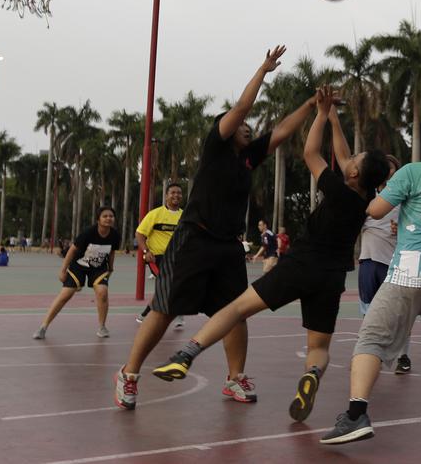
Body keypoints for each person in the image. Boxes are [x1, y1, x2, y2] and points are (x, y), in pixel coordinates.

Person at [152, 87, 390, 424]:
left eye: (356, 160)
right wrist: (333, 115)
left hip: (300, 265)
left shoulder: (336, 189)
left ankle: (187, 353)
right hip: (332, 277)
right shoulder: (363, 198)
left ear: (353, 174)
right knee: (319, 348)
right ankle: (311, 375)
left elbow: (311, 151)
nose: (350, 157)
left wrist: (320, 115)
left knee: (234, 308)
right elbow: (344, 154)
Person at [113, 46, 314, 411]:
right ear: (229, 129)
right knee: (166, 308)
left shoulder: (248, 159)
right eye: (242, 127)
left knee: (235, 310)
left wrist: (313, 103)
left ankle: (235, 378)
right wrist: (263, 69)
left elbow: (282, 130)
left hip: (227, 246)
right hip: (195, 239)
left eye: (251, 129)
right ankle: (129, 374)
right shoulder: (216, 146)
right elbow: (241, 110)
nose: (248, 129)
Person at [320, 94, 421, 446]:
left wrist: (382, 193)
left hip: (408, 273)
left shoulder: (411, 173)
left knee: (370, 339)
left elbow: (375, 210)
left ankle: (356, 414)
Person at [356, 155, 412, 374]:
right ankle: (367, 355)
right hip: (369, 261)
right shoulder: (368, 197)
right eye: (384, 169)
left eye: (392, 169)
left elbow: (414, 227)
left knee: (400, 314)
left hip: (395, 263)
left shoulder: (405, 199)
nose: (388, 173)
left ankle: (403, 356)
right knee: (368, 312)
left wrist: (404, 230)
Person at [32, 206, 121, 340]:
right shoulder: (88, 233)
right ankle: (43, 327)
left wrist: (111, 268)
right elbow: (72, 250)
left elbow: (112, 251)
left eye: (111, 216)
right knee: (65, 294)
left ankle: (102, 327)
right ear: (98, 219)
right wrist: (63, 270)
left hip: (98, 268)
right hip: (79, 266)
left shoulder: (115, 235)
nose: (108, 218)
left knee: (102, 292)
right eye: (105, 216)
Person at [135, 184, 185, 329]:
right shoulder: (155, 214)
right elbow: (139, 234)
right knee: (168, 285)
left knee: (169, 287)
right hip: (157, 258)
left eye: (179, 193)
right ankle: (176, 313)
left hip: (178, 258)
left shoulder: (185, 215)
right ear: (167, 195)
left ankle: (144, 315)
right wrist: (146, 252)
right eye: (173, 192)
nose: (176, 195)